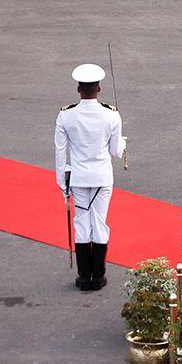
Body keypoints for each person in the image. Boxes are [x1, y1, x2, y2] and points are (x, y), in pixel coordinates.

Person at [54, 63, 126, 291]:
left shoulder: (66, 115)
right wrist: (124, 142)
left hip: (78, 178)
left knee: (82, 224)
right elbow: (116, 151)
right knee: (100, 224)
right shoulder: (111, 114)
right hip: (102, 178)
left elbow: (59, 152)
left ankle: (84, 278)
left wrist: (62, 185)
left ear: (78, 89)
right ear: (99, 89)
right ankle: (99, 277)